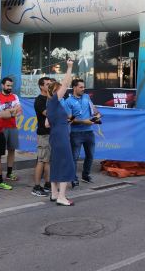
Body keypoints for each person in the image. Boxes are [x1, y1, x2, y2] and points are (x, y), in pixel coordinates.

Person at [48, 59, 76, 206]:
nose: (63, 91)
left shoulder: (52, 104)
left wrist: (62, 121)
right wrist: (69, 67)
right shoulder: (53, 100)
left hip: (56, 135)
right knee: (66, 164)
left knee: (57, 164)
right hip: (60, 137)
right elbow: (66, 83)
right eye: (60, 90)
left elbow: (47, 123)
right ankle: (61, 197)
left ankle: (54, 193)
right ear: (55, 91)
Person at [66, 78, 102, 186]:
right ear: (74, 88)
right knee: (74, 158)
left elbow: (94, 110)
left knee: (90, 155)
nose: (83, 89)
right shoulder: (68, 101)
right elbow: (69, 120)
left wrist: (97, 115)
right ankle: (73, 178)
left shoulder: (86, 97)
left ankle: (86, 176)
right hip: (76, 133)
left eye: (84, 87)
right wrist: (84, 122)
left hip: (89, 132)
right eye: (81, 87)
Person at [0, 77, 22, 181]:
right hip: (0, 127)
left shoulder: (15, 96)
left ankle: (9, 173)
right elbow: (1, 114)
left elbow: (19, 111)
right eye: (7, 85)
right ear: (2, 85)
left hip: (12, 126)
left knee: (12, 150)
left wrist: (9, 112)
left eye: (11, 86)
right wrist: (12, 111)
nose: (10, 87)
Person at [33, 77, 52, 197]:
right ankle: (36, 186)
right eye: (47, 84)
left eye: (51, 84)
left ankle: (47, 184)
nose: (50, 86)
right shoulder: (40, 100)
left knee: (48, 161)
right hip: (44, 134)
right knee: (41, 160)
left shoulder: (50, 98)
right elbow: (49, 114)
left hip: (51, 133)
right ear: (41, 86)